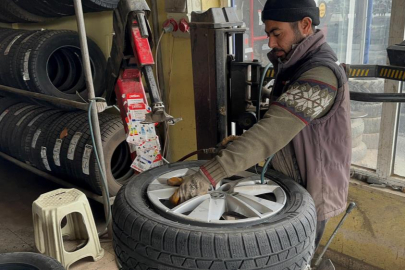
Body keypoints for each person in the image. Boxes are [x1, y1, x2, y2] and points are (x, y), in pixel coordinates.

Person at [169, 0, 351, 250]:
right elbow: (285, 128)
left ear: (305, 25)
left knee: (293, 259)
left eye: (277, 33)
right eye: (268, 34)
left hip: (313, 191)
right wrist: (245, 146)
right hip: (289, 180)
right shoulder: (293, 65)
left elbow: (273, 131)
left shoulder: (320, 74)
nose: (271, 43)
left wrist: (208, 175)